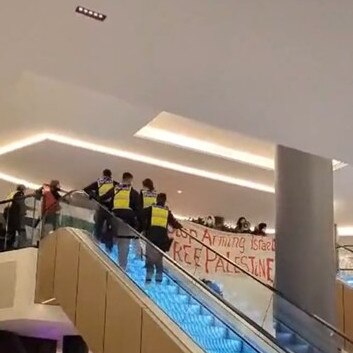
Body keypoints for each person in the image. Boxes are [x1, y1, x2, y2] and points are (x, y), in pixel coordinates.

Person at [143, 193, 182, 283]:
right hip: (161, 240)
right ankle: (158, 280)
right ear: (165, 201)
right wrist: (182, 227)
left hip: (150, 237)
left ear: (157, 199)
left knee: (149, 258)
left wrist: (144, 227)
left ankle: (148, 279)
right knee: (158, 260)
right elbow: (175, 224)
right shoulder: (166, 212)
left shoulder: (151, 209)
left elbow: (142, 214)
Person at [107, 172, 141, 268]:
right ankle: (122, 270)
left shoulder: (115, 189)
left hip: (114, 220)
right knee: (123, 248)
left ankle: (106, 262)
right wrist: (135, 222)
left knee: (111, 243)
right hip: (126, 225)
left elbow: (106, 199)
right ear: (130, 180)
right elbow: (138, 209)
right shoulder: (133, 192)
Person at [83, 169, 118, 240]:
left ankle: (96, 240)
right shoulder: (115, 183)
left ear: (103, 175)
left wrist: (94, 196)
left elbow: (86, 189)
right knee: (110, 226)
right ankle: (108, 244)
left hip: (101, 206)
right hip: (111, 209)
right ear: (111, 175)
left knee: (98, 225)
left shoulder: (99, 182)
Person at [3, 185, 28, 250]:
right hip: (14, 214)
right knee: (19, 230)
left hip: (7, 213)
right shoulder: (20, 194)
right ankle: (19, 247)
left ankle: (7, 246)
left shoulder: (12, 193)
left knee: (11, 230)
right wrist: (24, 212)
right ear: (23, 189)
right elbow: (21, 204)